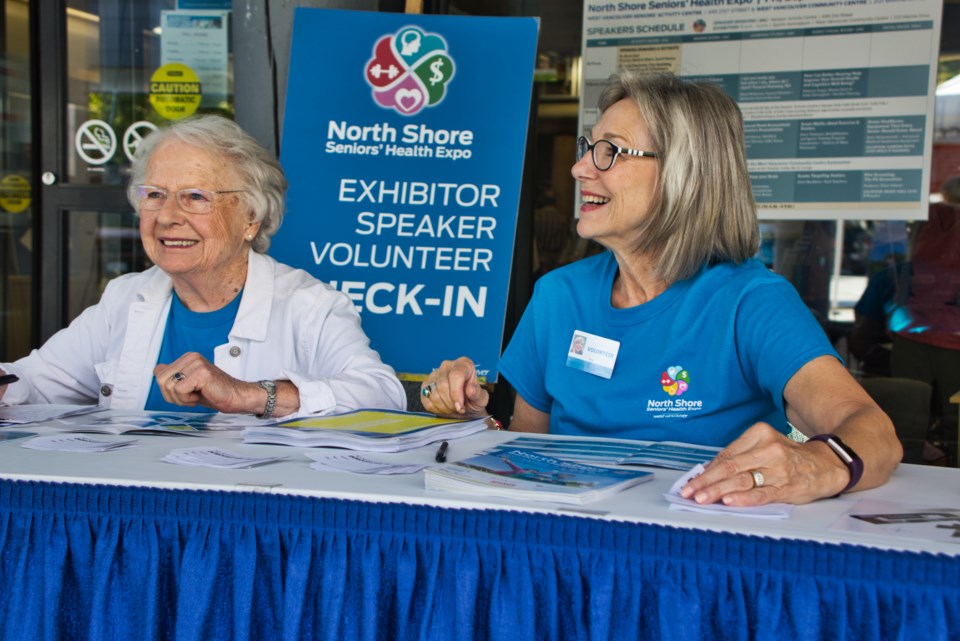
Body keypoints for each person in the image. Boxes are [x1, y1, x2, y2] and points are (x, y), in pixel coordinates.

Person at [421, 71, 901, 506]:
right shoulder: (558, 296)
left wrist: (813, 464)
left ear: (683, 175)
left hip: (694, 549)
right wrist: (468, 416)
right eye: (588, 148)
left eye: (610, 150)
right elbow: (526, 460)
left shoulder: (749, 301)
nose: (580, 169)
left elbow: (874, 432)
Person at [0, 115, 405, 418]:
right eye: (155, 194)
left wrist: (246, 394)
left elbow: (381, 395)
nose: (166, 216)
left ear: (251, 218)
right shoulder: (126, 296)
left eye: (195, 197)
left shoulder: (309, 305)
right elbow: (33, 382)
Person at [887, 175, 960, 454]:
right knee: (955, 416)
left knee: (904, 414)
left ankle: (902, 466)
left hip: (912, 326)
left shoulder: (924, 219)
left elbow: (909, 266)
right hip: (953, 335)